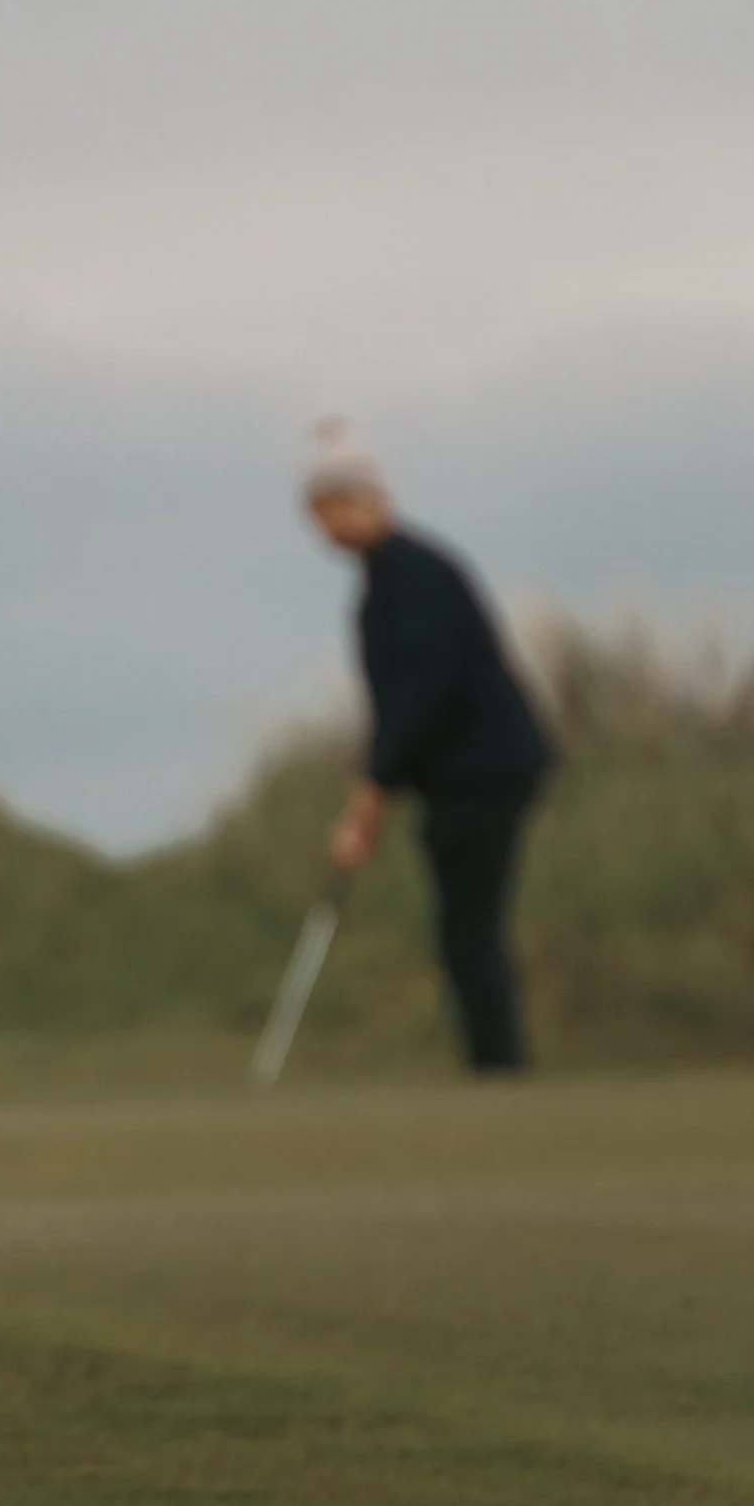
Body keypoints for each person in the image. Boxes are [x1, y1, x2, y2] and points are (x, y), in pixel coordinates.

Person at [303, 419, 551, 1073]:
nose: (322, 528)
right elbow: (396, 707)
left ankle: (500, 1066)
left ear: (364, 501)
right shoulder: (384, 585)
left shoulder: (415, 578)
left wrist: (370, 799)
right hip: (459, 777)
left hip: (486, 770)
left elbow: (418, 699)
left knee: (470, 926)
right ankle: (493, 1061)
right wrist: (375, 794)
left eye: (329, 509)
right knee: (463, 928)